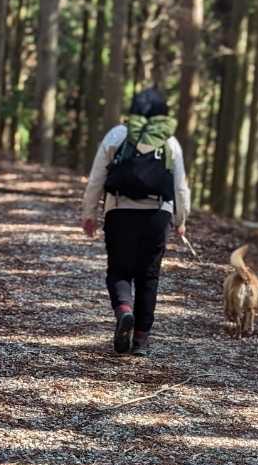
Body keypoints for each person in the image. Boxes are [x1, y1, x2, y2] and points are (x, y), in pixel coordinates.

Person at [81, 87, 191, 357]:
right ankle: (141, 338)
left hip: (119, 210)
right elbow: (180, 187)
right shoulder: (170, 142)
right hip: (157, 213)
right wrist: (181, 219)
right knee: (148, 275)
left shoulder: (117, 134)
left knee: (119, 270)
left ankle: (124, 311)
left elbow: (96, 178)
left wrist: (89, 213)